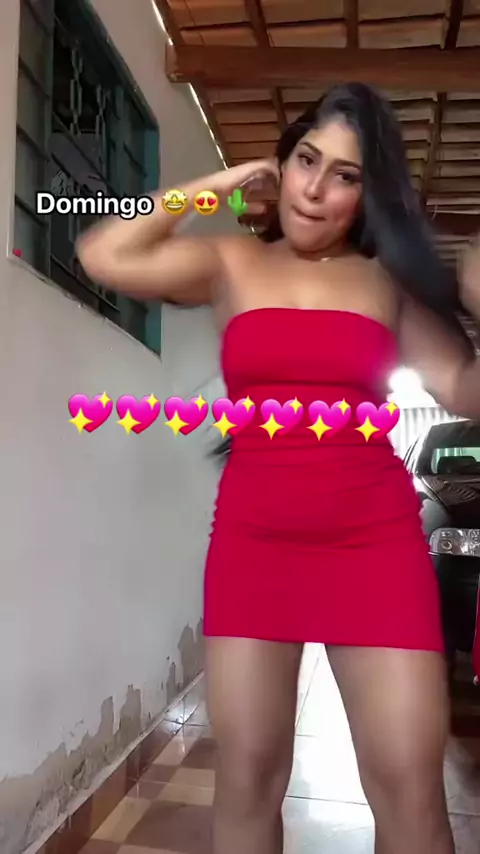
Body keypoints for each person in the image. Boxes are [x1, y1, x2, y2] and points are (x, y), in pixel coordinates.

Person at [77, 83, 480, 854]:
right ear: (283, 162)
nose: (316, 188)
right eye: (306, 160)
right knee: (249, 780)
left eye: (345, 175)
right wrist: (222, 184)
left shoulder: (386, 283)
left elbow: (463, 389)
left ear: (367, 196)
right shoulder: (231, 262)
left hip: (376, 547)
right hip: (255, 545)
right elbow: (104, 253)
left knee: (410, 790)